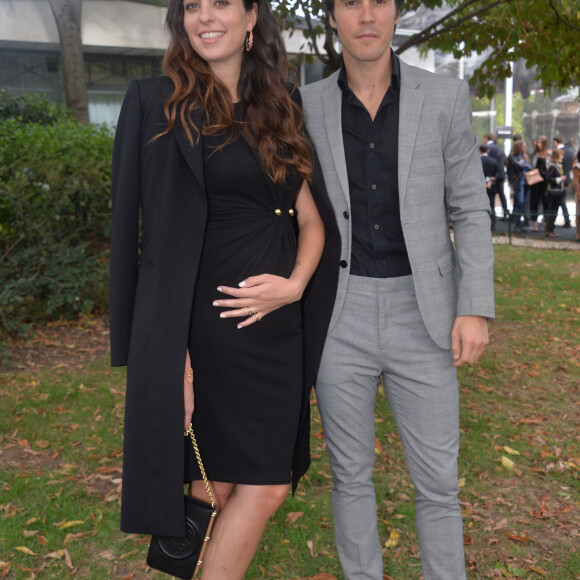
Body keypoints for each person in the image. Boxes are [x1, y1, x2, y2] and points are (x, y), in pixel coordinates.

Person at [109, 0, 340, 576]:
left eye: (221, 4)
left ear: (251, 17)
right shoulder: (153, 102)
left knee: (257, 488)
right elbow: (138, 239)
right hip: (205, 332)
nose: (205, 16)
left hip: (277, 332)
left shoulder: (280, 106)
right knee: (224, 488)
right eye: (192, 6)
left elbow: (312, 221)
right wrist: (169, 358)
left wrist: (293, 286)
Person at [299, 0, 495, 577]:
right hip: (340, 313)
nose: (365, 15)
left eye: (378, 1)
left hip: (426, 312)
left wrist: (475, 306)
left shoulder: (444, 98)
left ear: (396, 12)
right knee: (350, 479)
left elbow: (470, 208)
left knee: (438, 486)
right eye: (350, 4)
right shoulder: (304, 105)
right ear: (332, 16)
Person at [507, 139, 531, 233]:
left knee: (520, 203)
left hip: (526, 183)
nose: (525, 148)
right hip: (518, 183)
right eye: (523, 146)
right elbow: (520, 167)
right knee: (520, 203)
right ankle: (517, 224)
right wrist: (525, 165)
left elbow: (528, 166)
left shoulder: (524, 156)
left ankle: (518, 224)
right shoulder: (512, 157)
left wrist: (524, 165)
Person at [484, 132, 508, 219]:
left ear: (486, 138)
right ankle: (505, 213)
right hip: (501, 175)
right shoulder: (499, 148)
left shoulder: (489, 148)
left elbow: (489, 163)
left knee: (491, 197)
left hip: (492, 176)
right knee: (501, 194)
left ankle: (492, 216)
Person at [529, 136, 550, 231]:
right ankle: (535, 223)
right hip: (536, 181)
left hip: (545, 181)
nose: (538, 144)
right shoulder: (534, 154)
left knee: (546, 201)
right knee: (534, 201)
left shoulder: (549, 154)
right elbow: (531, 166)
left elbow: (550, 168)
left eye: (541, 142)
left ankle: (545, 223)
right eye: (538, 142)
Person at [544, 147, 565, 238]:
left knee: (554, 212)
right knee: (552, 211)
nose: (562, 157)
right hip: (553, 193)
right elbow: (548, 178)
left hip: (557, 193)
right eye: (561, 155)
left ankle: (551, 229)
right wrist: (559, 179)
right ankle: (549, 230)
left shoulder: (557, 166)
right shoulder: (552, 167)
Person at [480, 142, 500, 230]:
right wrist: (491, 181)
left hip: (480, 188)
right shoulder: (494, 161)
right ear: (488, 150)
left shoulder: (477, 161)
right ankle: (492, 226)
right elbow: (498, 174)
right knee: (492, 206)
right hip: (491, 187)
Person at [552, 136, 572, 227]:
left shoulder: (558, 152)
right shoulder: (569, 151)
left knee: (560, 200)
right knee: (561, 200)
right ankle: (566, 220)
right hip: (567, 177)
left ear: (555, 142)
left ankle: (551, 222)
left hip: (560, 179)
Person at [573, 150, 580, 242]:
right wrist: (578, 193)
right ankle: (577, 231)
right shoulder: (577, 166)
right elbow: (576, 181)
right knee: (579, 213)